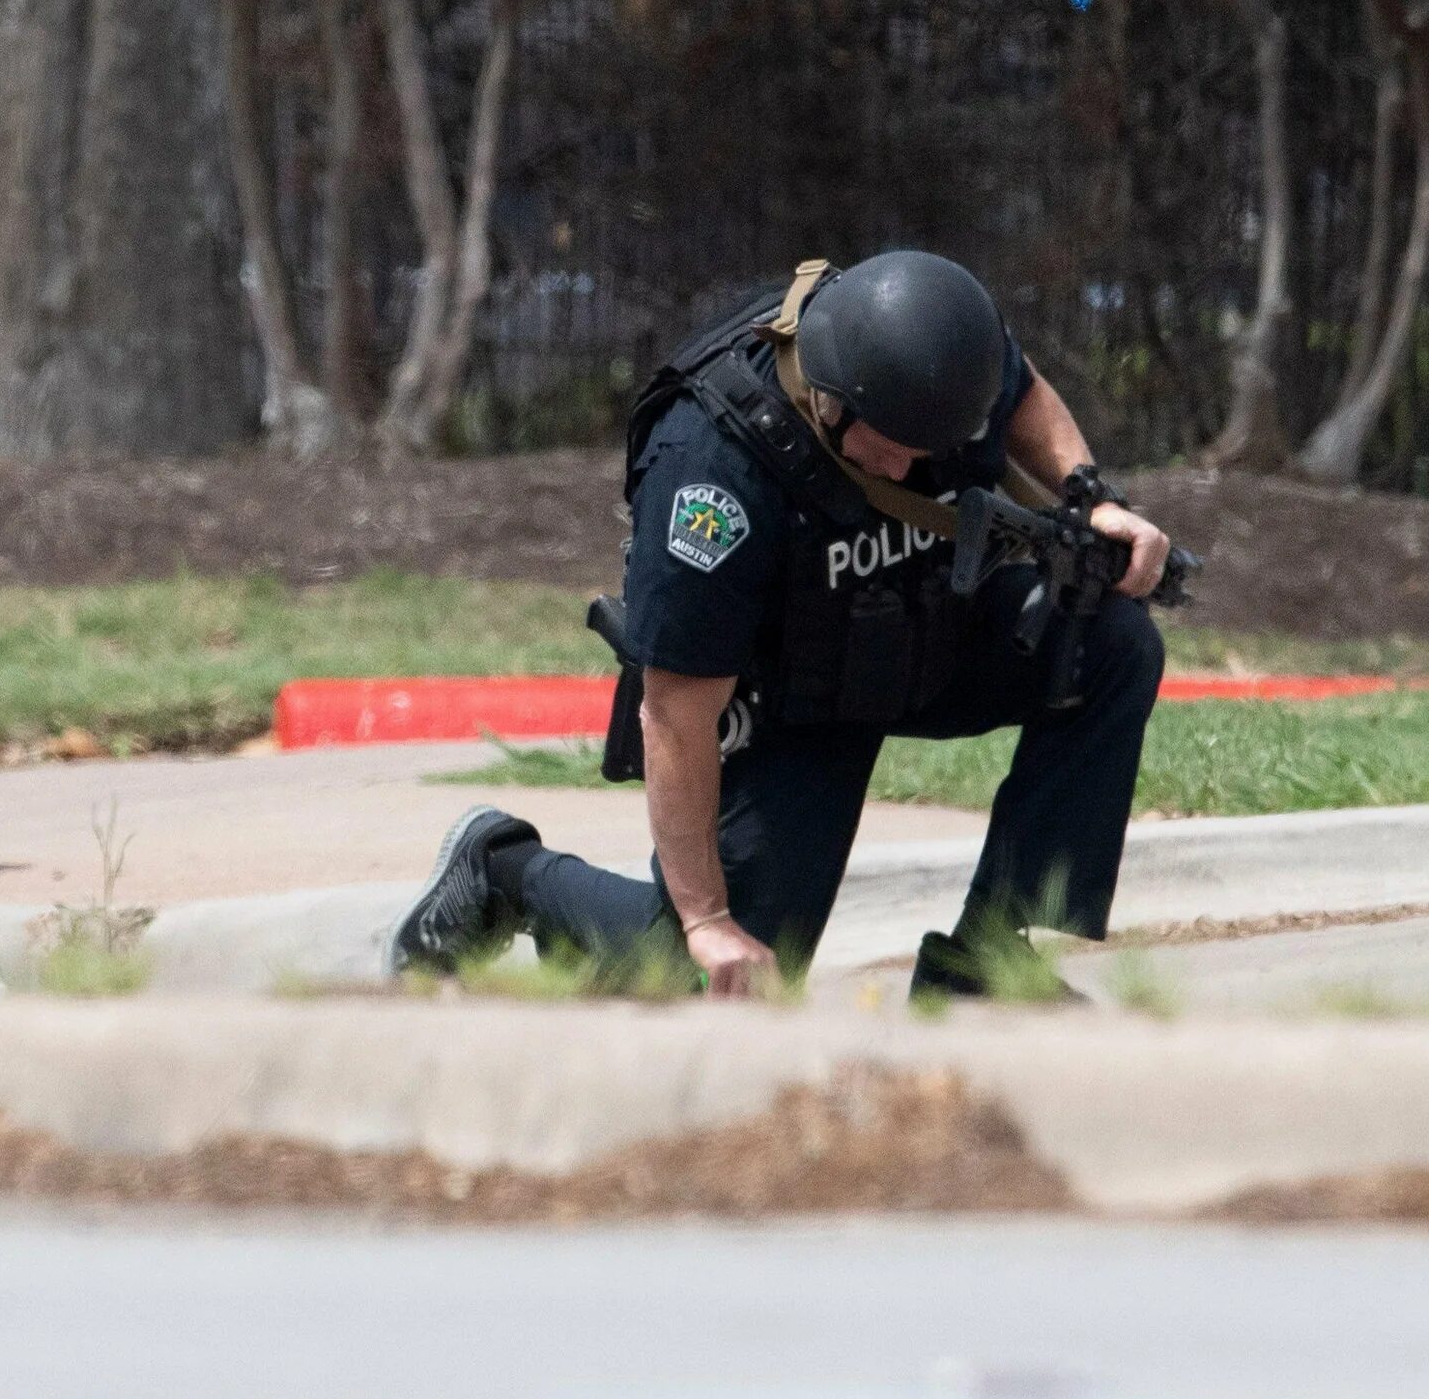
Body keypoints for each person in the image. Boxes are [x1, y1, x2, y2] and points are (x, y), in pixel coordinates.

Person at [391, 251, 1176, 1000]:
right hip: (790, 700)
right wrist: (705, 918)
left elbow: (1020, 385)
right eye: (899, 453)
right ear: (835, 401)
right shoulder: (712, 475)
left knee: (1109, 644)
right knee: (724, 973)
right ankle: (504, 869)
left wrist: (1089, 494)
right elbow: (674, 712)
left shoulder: (923, 352)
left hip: (916, 625)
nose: (913, 470)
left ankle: (987, 964)